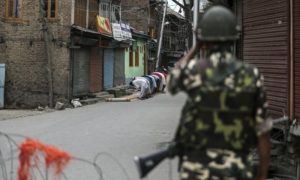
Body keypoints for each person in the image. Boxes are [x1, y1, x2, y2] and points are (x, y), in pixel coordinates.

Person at [167, 6, 273, 180]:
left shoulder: (195, 71)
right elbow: (263, 132)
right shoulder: (251, 75)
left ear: (204, 39)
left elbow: (170, 83)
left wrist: (195, 47)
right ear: (234, 37)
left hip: (196, 170)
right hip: (237, 170)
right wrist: (261, 175)